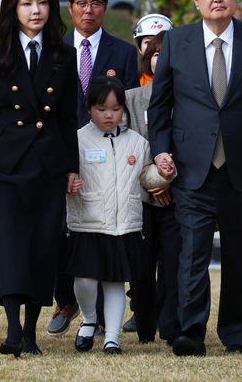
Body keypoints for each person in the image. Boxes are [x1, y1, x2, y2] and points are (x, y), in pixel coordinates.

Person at [147, 0, 242, 356]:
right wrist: (160, 152)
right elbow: (160, 108)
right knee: (192, 256)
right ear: (195, 0)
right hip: (192, 168)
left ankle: (236, 334)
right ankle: (191, 331)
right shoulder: (177, 41)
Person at [0, 0, 78, 357]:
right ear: (13, 8)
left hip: (48, 164)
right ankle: (13, 328)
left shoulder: (64, 54)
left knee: (42, 248)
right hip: (5, 166)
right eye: (28, 3)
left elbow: (68, 117)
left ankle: (31, 333)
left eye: (43, 2)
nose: (36, 10)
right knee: (9, 246)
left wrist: (72, 167)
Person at [48, 0, 140, 337]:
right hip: (62, 153)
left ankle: (101, 316)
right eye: (81, 3)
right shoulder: (54, 51)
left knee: (103, 232)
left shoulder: (122, 52)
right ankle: (65, 300)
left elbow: (129, 106)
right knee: (60, 231)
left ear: (105, 8)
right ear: (70, 9)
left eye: (97, 3)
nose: (89, 10)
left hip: (110, 156)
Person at [66, 77, 175, 354]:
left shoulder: (136, 142)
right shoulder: (76, 140)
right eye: (102, 108)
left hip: (124, 225)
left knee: (115, 281)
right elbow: (63, 175)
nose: (109, 115)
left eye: (116, 109)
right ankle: (89, 320)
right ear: (89, 108)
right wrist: (68, 180)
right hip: (88, 223)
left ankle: (112, 338)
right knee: (86, 279)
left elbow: (145, 175)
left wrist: (164, 173)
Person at [125, 30, 182, 344]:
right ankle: (144, 325)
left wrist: (169, 180)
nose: (162, 59)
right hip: (140, 197)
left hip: (178, 197)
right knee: (142, 265)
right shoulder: (132, 98)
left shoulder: (189, 98)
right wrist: (152, 180)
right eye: (157, 53)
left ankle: (171, 325)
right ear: (148, 58)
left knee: (174, 265)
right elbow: (127, 145)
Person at [133, 14, 173, 86]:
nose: (153, 48)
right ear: (139, 48)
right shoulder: (133, 84)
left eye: (160, 42)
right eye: (148, 43)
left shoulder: (181, 83)